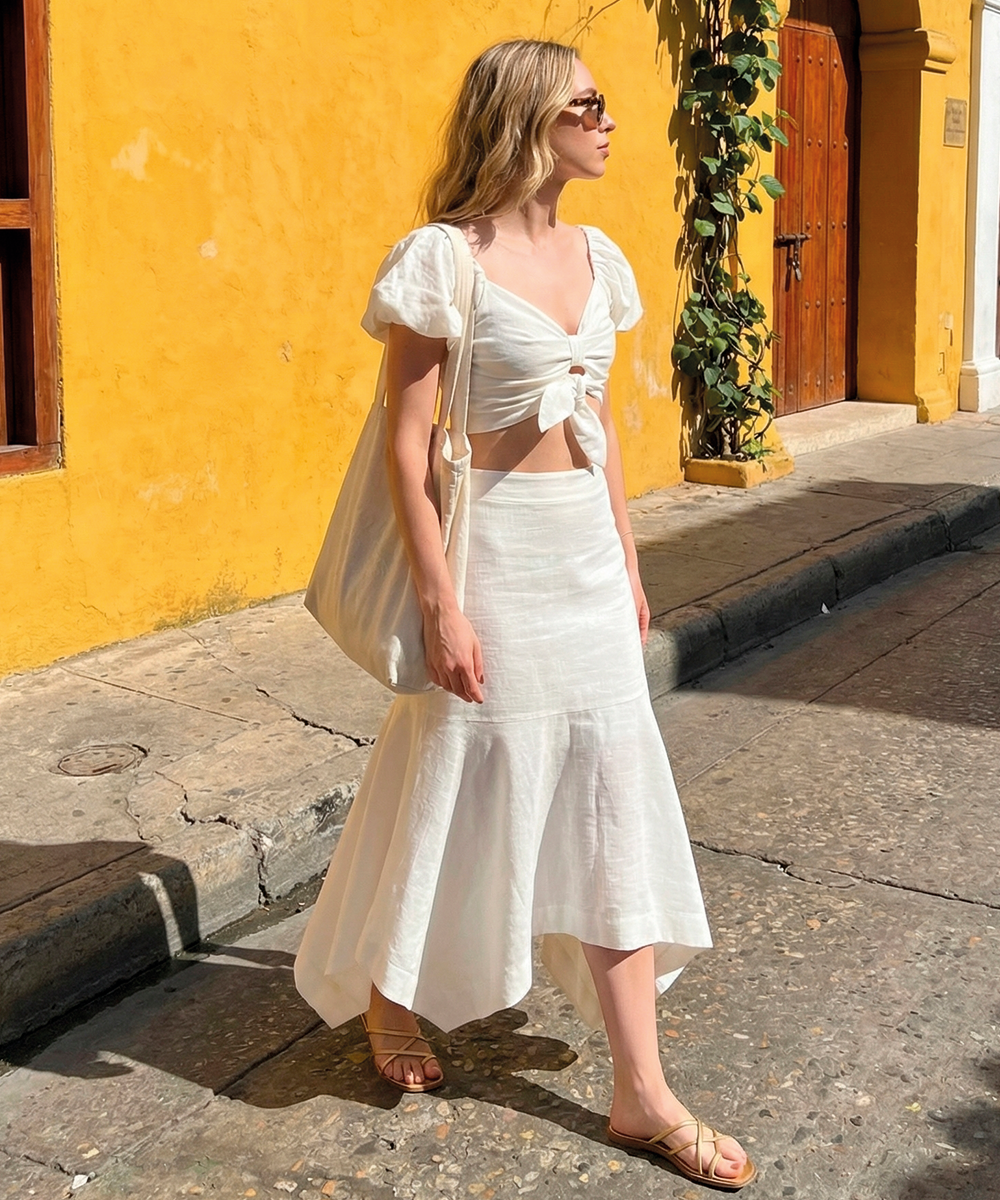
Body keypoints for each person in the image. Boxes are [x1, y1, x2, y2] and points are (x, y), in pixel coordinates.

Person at [295, 38, 756, 1190]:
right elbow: (408, 451)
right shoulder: (440, 262)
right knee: (456, 782)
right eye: (586, 106)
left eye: (605, 105)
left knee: (610, 801)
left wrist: (629, 558)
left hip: (581, 564)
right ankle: (390, 997)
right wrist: (443, 604)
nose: (609, 123)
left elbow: (598, 430)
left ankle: (641, 1093)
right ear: (524, 120)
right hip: (488, 552)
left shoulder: (601, 258)